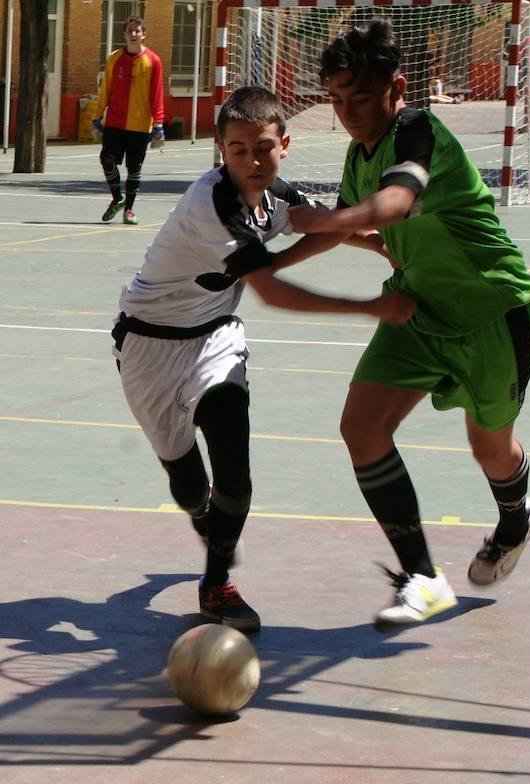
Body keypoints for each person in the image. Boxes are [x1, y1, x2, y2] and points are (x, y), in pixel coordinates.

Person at [111, 85, 414, 632]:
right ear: (220, 152)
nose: (254, 160)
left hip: (215, 340)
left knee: (236, 473)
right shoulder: (213, 205)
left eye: (265, 147)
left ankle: (216, 585)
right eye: (239, 150)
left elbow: (316, 218)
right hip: (147, 346)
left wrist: (373, 240)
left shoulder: (273, 193)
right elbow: (272, 291)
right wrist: (373, 306)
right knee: (187, 484)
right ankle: (205, 515)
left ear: (285, 144)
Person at [284, 18, 530, 627]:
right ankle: (423, 578)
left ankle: (515, 518)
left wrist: (321, 222)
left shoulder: (417, 131)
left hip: (490, 310)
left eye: (363, 99)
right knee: (361, 427)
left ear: (397, 90)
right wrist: (257, 264)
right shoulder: (359, 152)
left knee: (491, 449)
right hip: (414, 309)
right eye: (338, 100)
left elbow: (395, 202)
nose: (349, 113)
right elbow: (352, 223)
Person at [93, 16, 165, 225]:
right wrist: (97, 115)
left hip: (140, 125)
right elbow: (105, 88)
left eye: (138, 31)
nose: (134, 34)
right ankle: (117, 199)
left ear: (144, 34)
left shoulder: (153, 61)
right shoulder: (114, 58)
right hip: (114, 122)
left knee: (134, 169)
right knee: (106, 159)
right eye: (130, 31)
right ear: (124, 34)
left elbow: (157, 94)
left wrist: (159, 123)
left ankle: (129, 211)